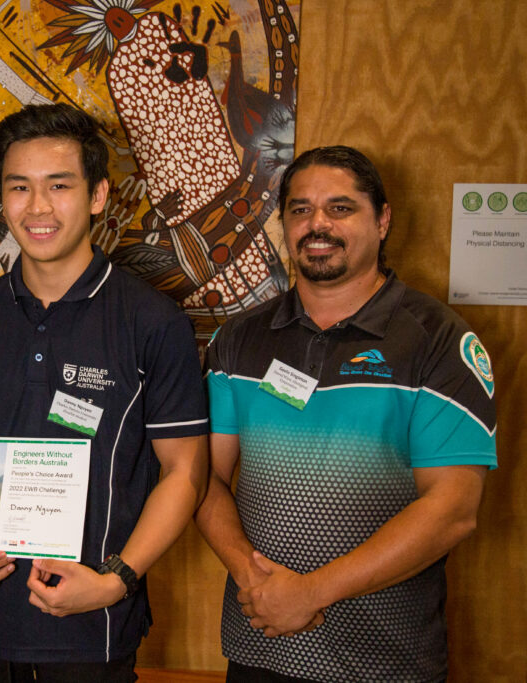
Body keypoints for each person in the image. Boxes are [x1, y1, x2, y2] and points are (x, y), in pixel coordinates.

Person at [195, 146, 497, 682]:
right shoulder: (238, 341)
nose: (317, 225)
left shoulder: (438, 340)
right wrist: (253, 577)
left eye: (340, 208)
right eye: (300, 209)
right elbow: (204, 479)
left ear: (382, 220)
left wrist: (310, 592)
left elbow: (453, 508)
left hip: (386, 658)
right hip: (259, 643)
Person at [0, 103, 209, 681]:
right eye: (19, 187)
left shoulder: (152, 323)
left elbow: (184, 472)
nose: (38, 208)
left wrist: (118, 578)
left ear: (98, 195)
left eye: (59, 186)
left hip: (93, 622)